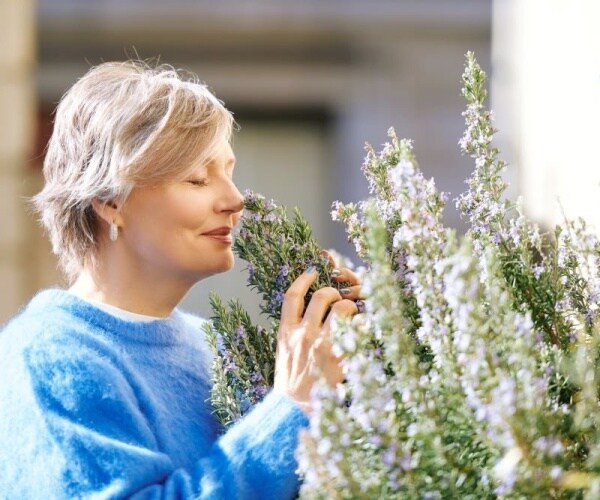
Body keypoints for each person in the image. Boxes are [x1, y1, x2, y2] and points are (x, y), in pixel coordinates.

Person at [0, 61, 361, 498]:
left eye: (228, 171)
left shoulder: (215, 345)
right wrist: (292, 405)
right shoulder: (50, 356)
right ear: (109, 200)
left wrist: (355, 362)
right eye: (196, 178)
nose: (234, 199)